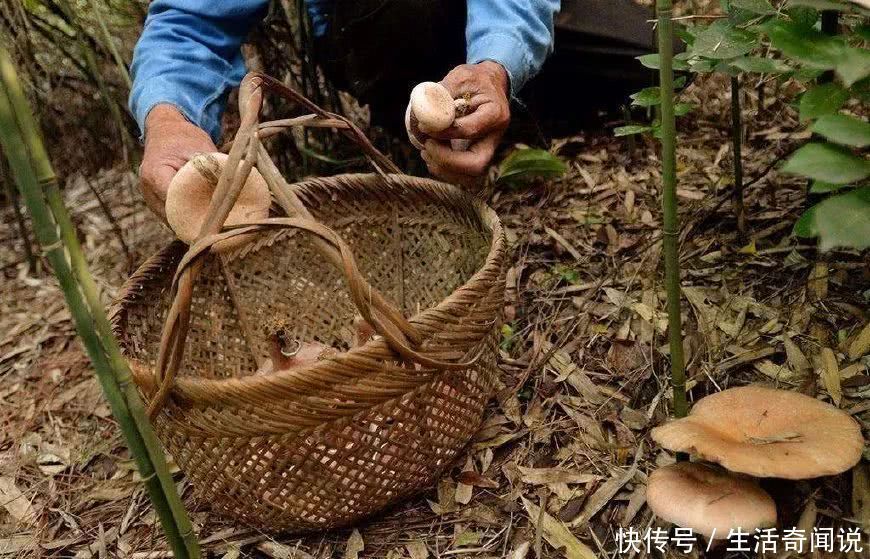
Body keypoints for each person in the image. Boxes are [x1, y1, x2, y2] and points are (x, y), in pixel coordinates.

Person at [130, 0, 657, 219]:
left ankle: (489, 102)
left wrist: (496, 64)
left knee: (657, 53)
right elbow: (191, 22)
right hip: (380, 20)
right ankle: (418, 117)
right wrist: (168, 118)